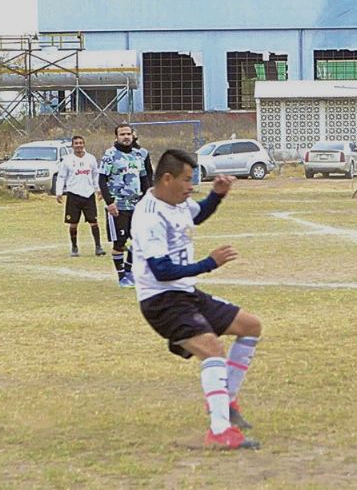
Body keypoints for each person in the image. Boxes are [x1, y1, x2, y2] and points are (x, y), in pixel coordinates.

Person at [131, 149, 263, 450]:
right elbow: (161, 271)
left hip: (187, 293)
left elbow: (197, 214)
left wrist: (217, 196)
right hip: (162, 301)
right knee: (213, 350)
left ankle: (225, 402)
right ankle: (220, 431)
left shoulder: (177, 202)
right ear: (167, 178)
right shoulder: (149, 216)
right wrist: (209, 263)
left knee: (250, 326)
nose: (192, 186)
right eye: (187, 180)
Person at [99, 123, 149, 287]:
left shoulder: (138, 155)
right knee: (120, 242)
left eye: (128, 134)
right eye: (122, 134)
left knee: (139, 240)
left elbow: (144, 178)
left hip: (136, 205)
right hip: (118, 206)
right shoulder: (110, 154)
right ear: (117, 137)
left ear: (132, 135)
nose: (126, 137)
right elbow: (102, 180)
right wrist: (110, 202)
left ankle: (129, 271)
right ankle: (122, 277)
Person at [56, 135, 103, 257]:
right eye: (76, 143)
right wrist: (59, 192)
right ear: (72, 145)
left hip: (88, 195)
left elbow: (95, 175)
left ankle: (98, 247)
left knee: (93, 221)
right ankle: (74, 247)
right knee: (73, 223)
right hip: (73, 195)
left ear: (84, 144)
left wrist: (98, 189)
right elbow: (61, 177)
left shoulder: (91, 159)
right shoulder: (67, 160)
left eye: (81, 143)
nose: (79, 145)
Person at [131, 128, 155, 193]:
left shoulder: (143, 152)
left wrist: (149, 189)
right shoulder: (113, 153)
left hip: (140, 190)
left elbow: (148, 172)